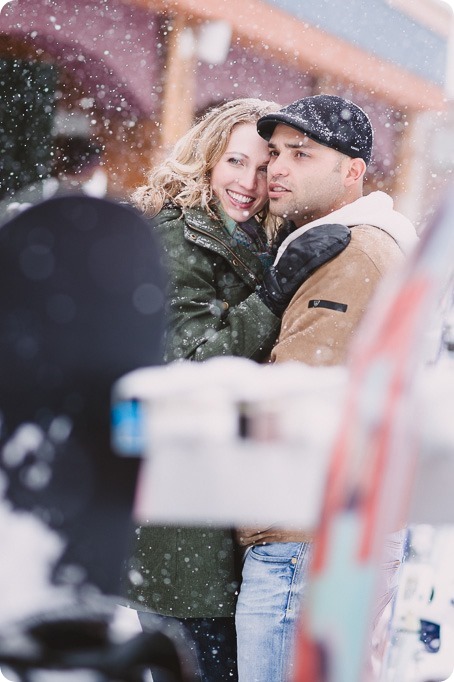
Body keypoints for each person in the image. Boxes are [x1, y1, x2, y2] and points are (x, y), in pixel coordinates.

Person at [124, 98, 351, 682]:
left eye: (265, 163)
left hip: (221, 507)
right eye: (235, 161)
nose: (249, 182)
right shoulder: (176, 238)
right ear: (206, 160)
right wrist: (271, 296)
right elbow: (193, 362)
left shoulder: (252, 237)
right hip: (185, 529)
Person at [234, 94, 419, 681]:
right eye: (276, 153)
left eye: (302, 154)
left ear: (352, 170)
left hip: (304, 538)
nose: (278, 168)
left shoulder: (352, 252)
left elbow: (296, 399)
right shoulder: (350, 246)